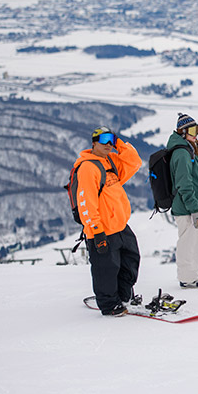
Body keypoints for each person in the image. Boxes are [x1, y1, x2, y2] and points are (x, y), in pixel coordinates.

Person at [74, 126, 142, 316]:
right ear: (94, 143)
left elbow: (134, 161)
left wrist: (118, 143)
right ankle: (109, 304)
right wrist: (96, 230)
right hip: (101, 229)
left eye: (111, 140)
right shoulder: (87, 168)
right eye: (103, 140)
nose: (108, 144)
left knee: (131, 261)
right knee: (106, 269)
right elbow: (86, 202)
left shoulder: (110, 161)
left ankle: (123, 296)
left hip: (120, 225)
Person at [167, 113, 198, 288]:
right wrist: (194, 208)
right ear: (183, 132)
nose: (197, 134)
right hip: (186, 208)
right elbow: (184, 184)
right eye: (193, 130)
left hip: (195, 207)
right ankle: (188, 279)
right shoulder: (181, 153)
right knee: (189, 244)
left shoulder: (188, 150)